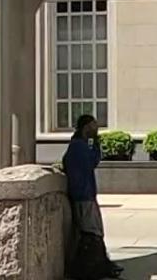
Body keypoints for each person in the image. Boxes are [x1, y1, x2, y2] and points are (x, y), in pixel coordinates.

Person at [63, 114, 122, 279]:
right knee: (92, 230)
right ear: (86, 127)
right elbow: (91, 162)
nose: (96, 128)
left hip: (86, 194)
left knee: (94, 229)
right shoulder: (78, 147)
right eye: (93, 125)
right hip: (83, 195)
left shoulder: (80, 145)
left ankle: (100, 263)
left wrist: (95, 143)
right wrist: (95, 144)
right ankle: (93, 266)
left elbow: (93, 161)